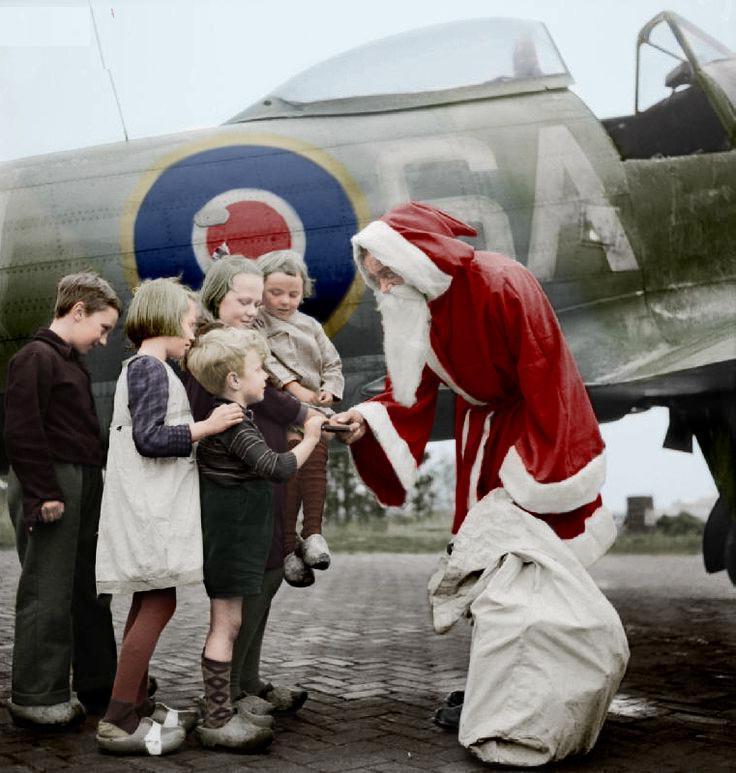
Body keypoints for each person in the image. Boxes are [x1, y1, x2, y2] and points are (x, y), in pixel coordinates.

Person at [334, 202, 617, 727]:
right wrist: (364, 422)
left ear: (416, 257)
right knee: (479, 561)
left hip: (530, 435)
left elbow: (546, 369)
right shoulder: (411, 304)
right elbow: (408, 389)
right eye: (373, 276)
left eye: (389, 270)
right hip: (477, 436)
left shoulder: (504, 282)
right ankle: (493, 684)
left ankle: (536, 688)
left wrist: (540, 466)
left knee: (527, 562)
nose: (384, 285)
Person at [94, 278, 243, 756]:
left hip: (147, 507)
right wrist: (209, 426)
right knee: (159, 603)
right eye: (189, 323)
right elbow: (150, 439)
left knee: (148, 601)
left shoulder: (146, 368)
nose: (192, 335)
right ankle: (117, 720)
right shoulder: (150, 369)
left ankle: (133, 704)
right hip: (149, 510)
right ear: (163, 318)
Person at [185, 327, 327, 749]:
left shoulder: (230, 416)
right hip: (233, 541)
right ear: (233, 380)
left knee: (230, 623)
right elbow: (278, 467)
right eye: (257, 369)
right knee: (226, 625)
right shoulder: (234, 423)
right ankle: (217, 718)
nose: (265, 376)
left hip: (236, 538)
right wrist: (313, 437)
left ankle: (220, 711)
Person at [4, 272, 121, 727]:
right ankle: (38, 697)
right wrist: (43, 494)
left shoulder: (69, 359)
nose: (105, 339)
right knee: (46, 591)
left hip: (83, 478)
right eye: (103, 327)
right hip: (52, 480)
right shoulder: (34, 357)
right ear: (77, 311)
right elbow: (21, 430)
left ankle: (98, 683)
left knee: (89, 590)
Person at [256, 250, 344, 583]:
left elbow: (332, 363)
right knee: (292, 467)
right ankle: (288, 545)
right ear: (260, 290)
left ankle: (314, 534)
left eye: (293, 294)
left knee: (317, 461)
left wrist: (328, 391)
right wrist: (296, 390)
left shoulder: (311, 325)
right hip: (284, 407)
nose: (284, 301)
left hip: (314, 406)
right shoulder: (258, 322)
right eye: (275, 293)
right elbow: (266, 360)